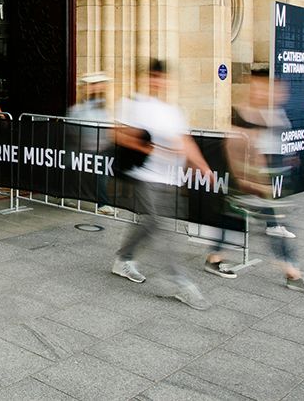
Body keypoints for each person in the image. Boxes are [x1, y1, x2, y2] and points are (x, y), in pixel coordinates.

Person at [206, 68, 304, 295]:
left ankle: (214, 258)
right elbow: (234, 147)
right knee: (265, 225)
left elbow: (274, 143)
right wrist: (245, 178)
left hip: (269, 180)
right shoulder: (245, 113)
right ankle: (292, 273)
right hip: (252, 180)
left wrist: (287, 159)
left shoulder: (274, 113)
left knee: (238, 221)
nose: (264, 92)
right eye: (259, 87)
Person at [111, 60, 214, 310]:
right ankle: (180, 282)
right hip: (146, 175)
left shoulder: (173, 111)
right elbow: (117, 134)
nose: (159, 82)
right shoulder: (134, 105)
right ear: (148, 79)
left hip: (170, 178)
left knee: (149, 224)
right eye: (155, 77)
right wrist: (148, 147)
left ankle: (123, 257)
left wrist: (202, 165)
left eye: (163, 78)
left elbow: (185, 141)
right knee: (161, 226)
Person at [66, 72, 115, 215]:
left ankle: (102, 203)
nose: (97, 88)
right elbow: (72, 128)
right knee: (75, 173)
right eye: (93, 85)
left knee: (101, 175)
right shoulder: (79, 109)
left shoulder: (102, 108)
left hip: (101, 148)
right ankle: (69, 196)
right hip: (83, 148)